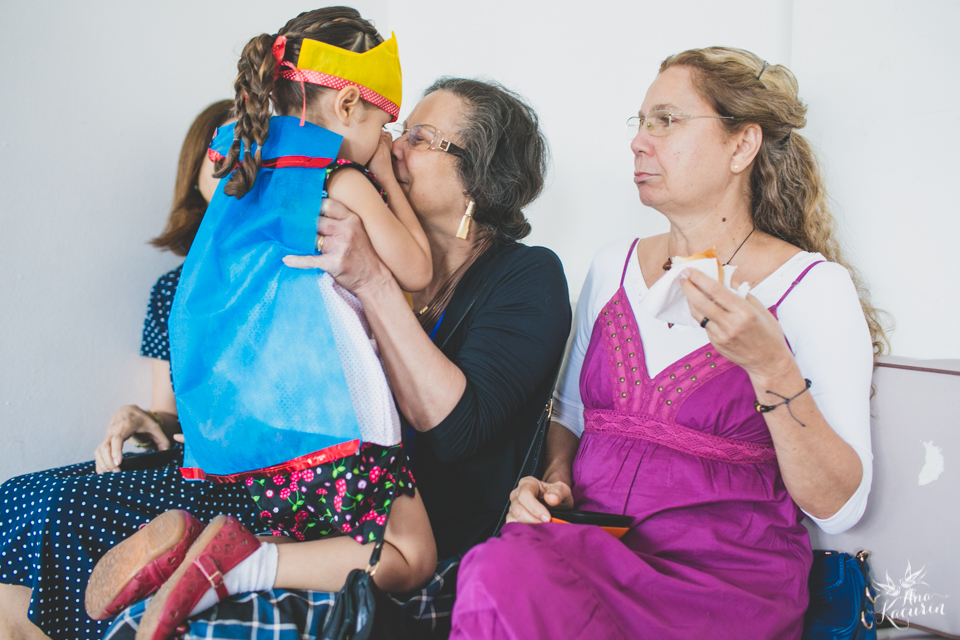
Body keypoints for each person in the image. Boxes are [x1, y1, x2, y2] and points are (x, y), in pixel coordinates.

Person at [102, 77, 571, 640]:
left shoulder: (528, 276)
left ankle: (218, 560)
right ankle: (207, 559)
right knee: (99, 541)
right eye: (399, 129)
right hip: (323, 512)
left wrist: (371, 279)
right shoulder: (367, 245)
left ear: (481, 175)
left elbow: (456, 430)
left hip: (428, 551)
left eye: (420, 137)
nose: (393, 143)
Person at [449, 47, 883, 640]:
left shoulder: (812, 289)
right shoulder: (613, 266)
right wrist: (552, 484)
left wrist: (771, 367)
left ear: (741, 146)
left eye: (667, 121)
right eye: (641, 122)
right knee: (497, 568)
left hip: (725, 586)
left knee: (500, 576)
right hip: (598, 553)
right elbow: (569, 418)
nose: (638, 141)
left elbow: (840, 506)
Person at [86, 9, 439, 638]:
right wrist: (382, 174)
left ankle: (202, 554)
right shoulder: (339, 178)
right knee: (412, 556)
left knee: (312, 541)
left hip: (250, 431)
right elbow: (417, 270)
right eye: (383, 122)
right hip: (334, 410)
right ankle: (241, 565)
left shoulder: (242, 174)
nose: (387, 138)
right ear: (349, 104)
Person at [0, 99, 257, 640]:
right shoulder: (170, 291)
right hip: (181, 458)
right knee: (14, 494)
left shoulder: (277, 271)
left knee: (69, 506)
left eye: (246, 148)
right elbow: (169, 413)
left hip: (241, 473)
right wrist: (141, 417)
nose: (231, 160)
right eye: (217, 150)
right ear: (195, 174)